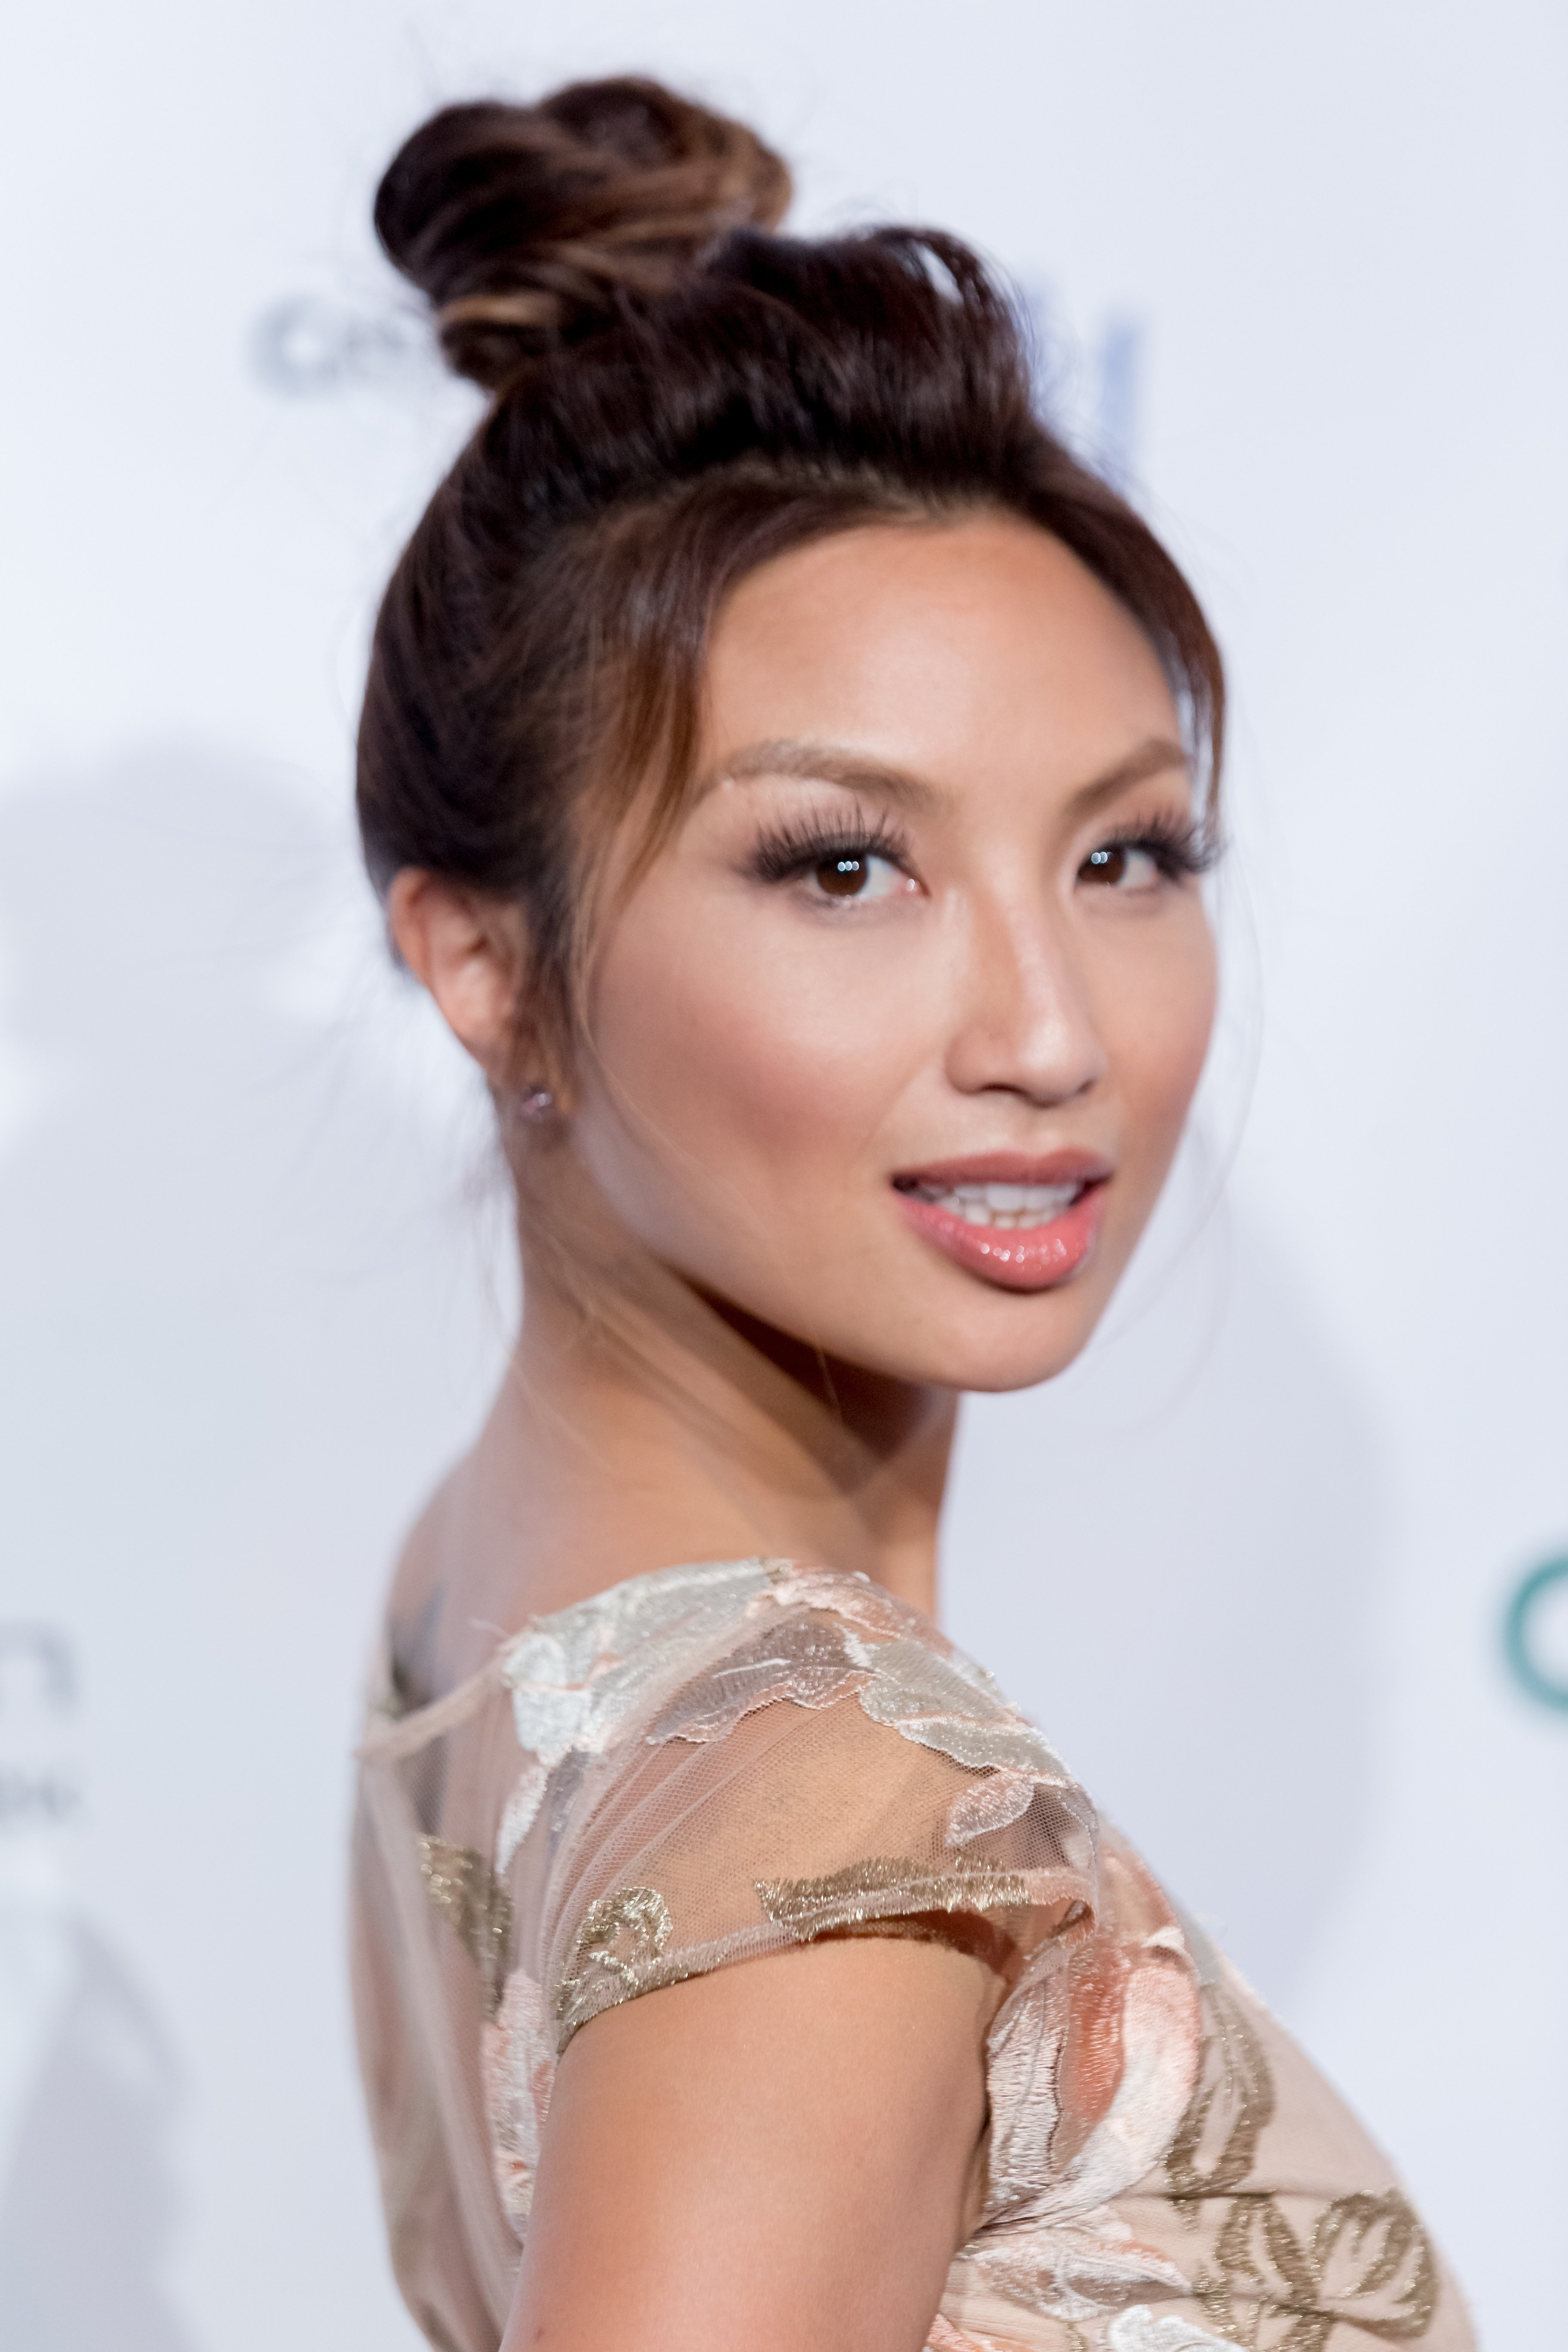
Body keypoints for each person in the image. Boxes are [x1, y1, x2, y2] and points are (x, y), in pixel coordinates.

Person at [349, 75, 1470, 2352]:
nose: (1051, 1028)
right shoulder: (823, 1828)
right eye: (842, 866)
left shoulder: (498, 1577)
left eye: (1126, 853)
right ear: (483, 961)